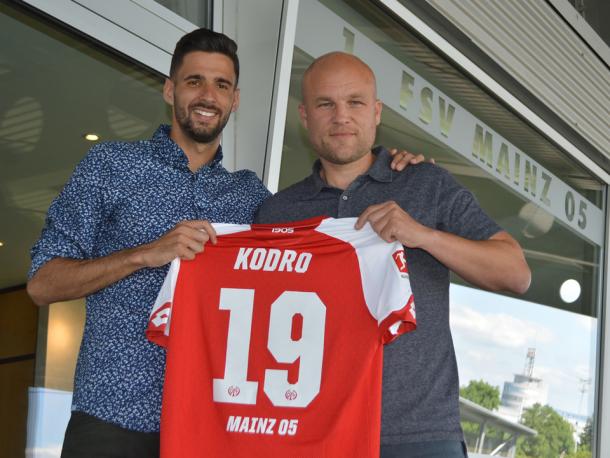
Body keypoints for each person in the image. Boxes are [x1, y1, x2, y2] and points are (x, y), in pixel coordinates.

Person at [26, 29, 421, 457]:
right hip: (113, 421)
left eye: (222, 84)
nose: (207, 95)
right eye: (194, 81)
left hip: (213, 431)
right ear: (170, 89)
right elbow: (42, 284)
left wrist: (395, 165)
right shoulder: (111, 166)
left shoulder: (253, 199)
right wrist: (145, 254)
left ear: (235, 100)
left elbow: (322, 254)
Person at [254, 52, 531, 458]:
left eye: (356, 102)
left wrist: (423, 236)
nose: (341, 116)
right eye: (325, 104)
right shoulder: (276, 212)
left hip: (417, 435)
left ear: (377, 112)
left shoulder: (426, 183)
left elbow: (516, 272)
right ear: (304, 115)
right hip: (307, 431)